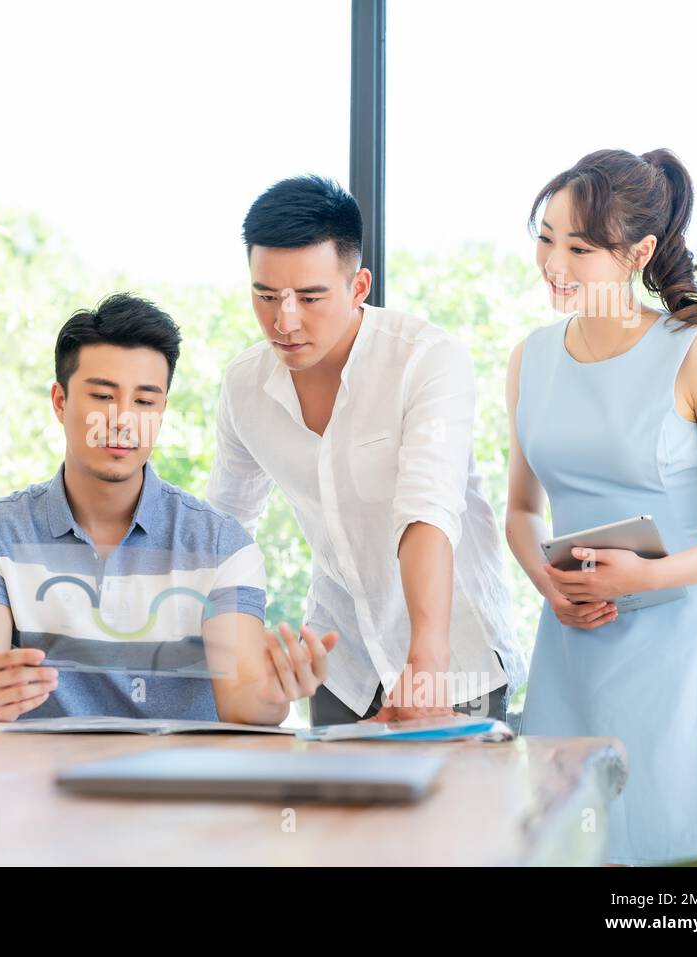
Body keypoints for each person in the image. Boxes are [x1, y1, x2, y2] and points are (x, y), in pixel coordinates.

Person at [507, 147, 697, 863]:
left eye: (580, 247)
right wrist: (550, 585)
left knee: (690, 882)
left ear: (638, 252)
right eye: (546, 238)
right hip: (573, 653)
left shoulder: (694, 354)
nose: (554, 263)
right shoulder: (531, 358)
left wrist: (649, 577)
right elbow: (520, 511)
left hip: (690, 659)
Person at [208, 174, 525, 726]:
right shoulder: (243, 385)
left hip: (454, 656)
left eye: (310, 298)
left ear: (358, 288)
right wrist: (231, 650)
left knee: (453, 809)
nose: (284, 321)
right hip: (343, 662)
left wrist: (426, 664)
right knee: (335, 811)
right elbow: (226, 529)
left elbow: (427, 509)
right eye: (265, 296)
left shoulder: (427, 360)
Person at [0, 293, 336, 723]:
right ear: (60, 401)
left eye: (145, 402)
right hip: (39, 781)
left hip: (176, 784)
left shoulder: (224, 547)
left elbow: (243, 699)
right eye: (102, 397)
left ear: (162, 411)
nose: (122, 420)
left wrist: (277, 693)